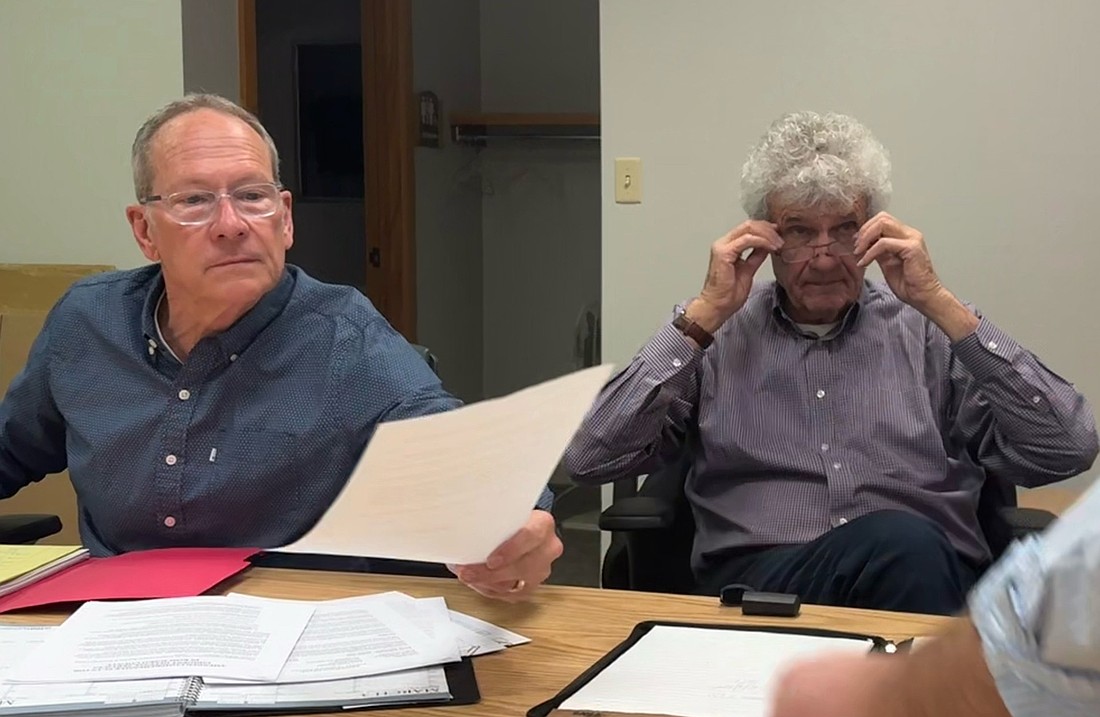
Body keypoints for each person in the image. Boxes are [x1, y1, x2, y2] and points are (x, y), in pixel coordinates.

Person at [0, 94, 561, 602]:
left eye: (252, 196)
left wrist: (518, 521)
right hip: (107, 633)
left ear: (285, 218)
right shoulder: (87, 321)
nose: (231, 224)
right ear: (145, 230)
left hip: (287, 639)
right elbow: (13, 447)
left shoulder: (344, 336)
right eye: (195, 200)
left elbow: (461, 456)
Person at [563, 110, 1098, 614]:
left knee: (905, 547)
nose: (823, 256)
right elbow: (588, 459)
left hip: (927, 581)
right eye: (798, 231)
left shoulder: (929, 331)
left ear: (875, 232)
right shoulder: (716, 335)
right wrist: (703, 315)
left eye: (844, 229)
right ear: (763, 239)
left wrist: (938, 301)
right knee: (898, 545)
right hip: (761, 589)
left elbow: (1067, 449)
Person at [769, 478, 1100, 717]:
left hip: (926, 568)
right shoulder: (722, 379)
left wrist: (901, 700)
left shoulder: (948, 379)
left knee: (906, 546)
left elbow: (1067, 447)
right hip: (760, 573)